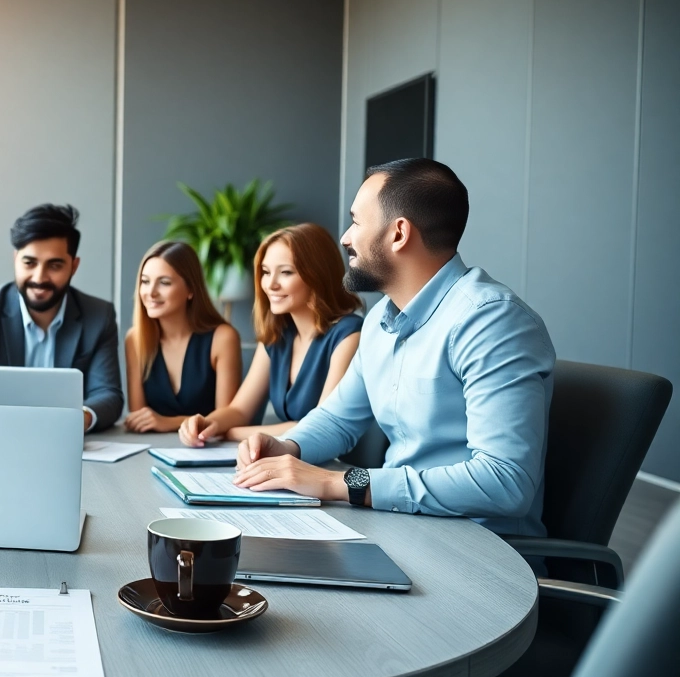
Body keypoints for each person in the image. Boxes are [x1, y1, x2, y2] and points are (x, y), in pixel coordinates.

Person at [232, 158, 555, 537]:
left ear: (398, 233)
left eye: (356, 222)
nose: (345, 238)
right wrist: (288, 447)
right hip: (400, 526)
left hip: (477, 549)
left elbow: (504, 482)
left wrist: (339, 483)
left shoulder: (491, 321)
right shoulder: (380, 321)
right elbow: (338, 418)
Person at [180, 224, 362, 445]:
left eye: (286, 272)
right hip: (290, 462)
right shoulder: (279, 335)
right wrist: (207, 424)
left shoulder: (349, 334)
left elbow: (320, 426)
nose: (270, 284)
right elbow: (239, 410)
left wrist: (232, 433)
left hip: (335, 468)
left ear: (317, 275)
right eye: (266, 272)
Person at [0, 204, 123, 432]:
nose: (39, 278)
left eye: (55, 265)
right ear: (15, 259)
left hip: (65, 443)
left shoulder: (98, 316)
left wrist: (79, 418)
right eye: (29, 263)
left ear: (74, 266)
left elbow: (108, 394)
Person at [123, 241, 241, 432]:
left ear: (191, 290)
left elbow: (228, 417)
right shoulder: (135, 339)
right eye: (145, 281)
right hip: (151, 446)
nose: (150, 292)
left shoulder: (222, 338)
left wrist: (168, 422)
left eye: (164, 283)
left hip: (209, 447)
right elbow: (140, 419)